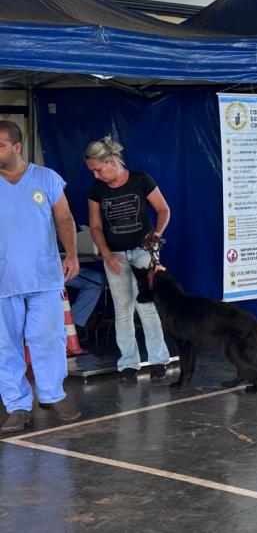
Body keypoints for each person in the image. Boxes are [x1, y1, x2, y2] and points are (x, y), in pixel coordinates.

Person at [0, 120, 81, 433]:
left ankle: (52, 395)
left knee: (48, 338)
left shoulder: (46, 179)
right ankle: (17, 406)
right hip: (4, 280)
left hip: (44, 276)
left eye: (1, 145)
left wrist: (72, 254)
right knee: (6, 346)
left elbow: (65, 218)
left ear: (17, 147)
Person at [85, 136, 171, 383]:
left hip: (143, 252)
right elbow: (95, 226)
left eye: (98, 169)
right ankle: (128, 363)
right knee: (123, 309)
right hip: (115, 255)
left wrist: (157, 233)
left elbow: (164, 210)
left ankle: (158, 360)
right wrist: (106, 254)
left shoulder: (140, 179)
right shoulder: (97, 190)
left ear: (110, 162)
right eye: (92, 171)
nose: (96, 175)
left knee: (147, 307)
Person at [65, 267, 105, 338]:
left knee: (98, 280)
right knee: (98, 281)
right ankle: (72, 326)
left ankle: (73, 326)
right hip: (48, 269)